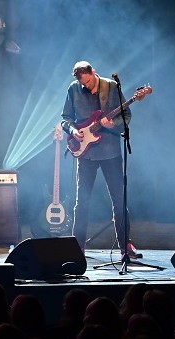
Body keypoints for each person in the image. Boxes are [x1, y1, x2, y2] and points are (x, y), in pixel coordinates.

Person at [61, 61, 139, 261]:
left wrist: (113, 124)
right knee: (82, 202)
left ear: (93, 72)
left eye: (89, 82)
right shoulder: (73, 89)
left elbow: (126, 115)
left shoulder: (111, 87)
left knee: (119, 200)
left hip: (110, 151)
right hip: (86, 154)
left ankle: (125, 245)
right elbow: (66, 119)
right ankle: (77, 247)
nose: (87, 86)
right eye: (83, 84)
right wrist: (73, 130)